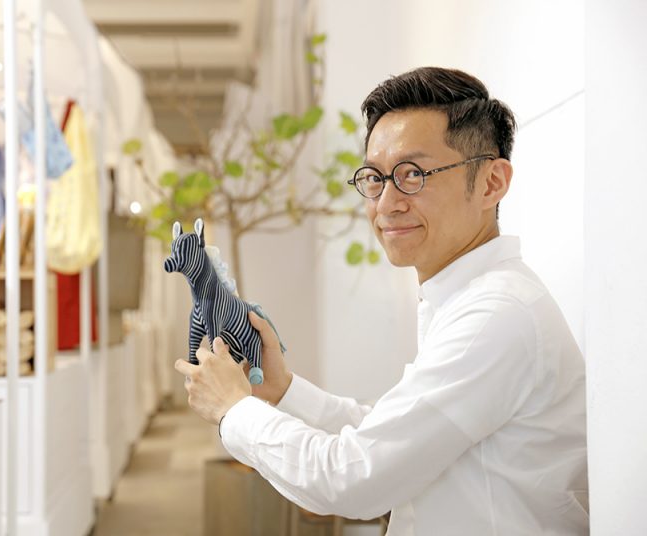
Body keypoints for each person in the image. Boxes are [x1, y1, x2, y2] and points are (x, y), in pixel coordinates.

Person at [174, 67, 589, 535]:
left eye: (413, 174)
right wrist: (283, 391)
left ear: (491, 182)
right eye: (375, 177)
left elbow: (352, 480)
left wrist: (233, 410)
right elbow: (391, 433)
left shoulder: (496, 315)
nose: (387, 203)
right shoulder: (466, 299)